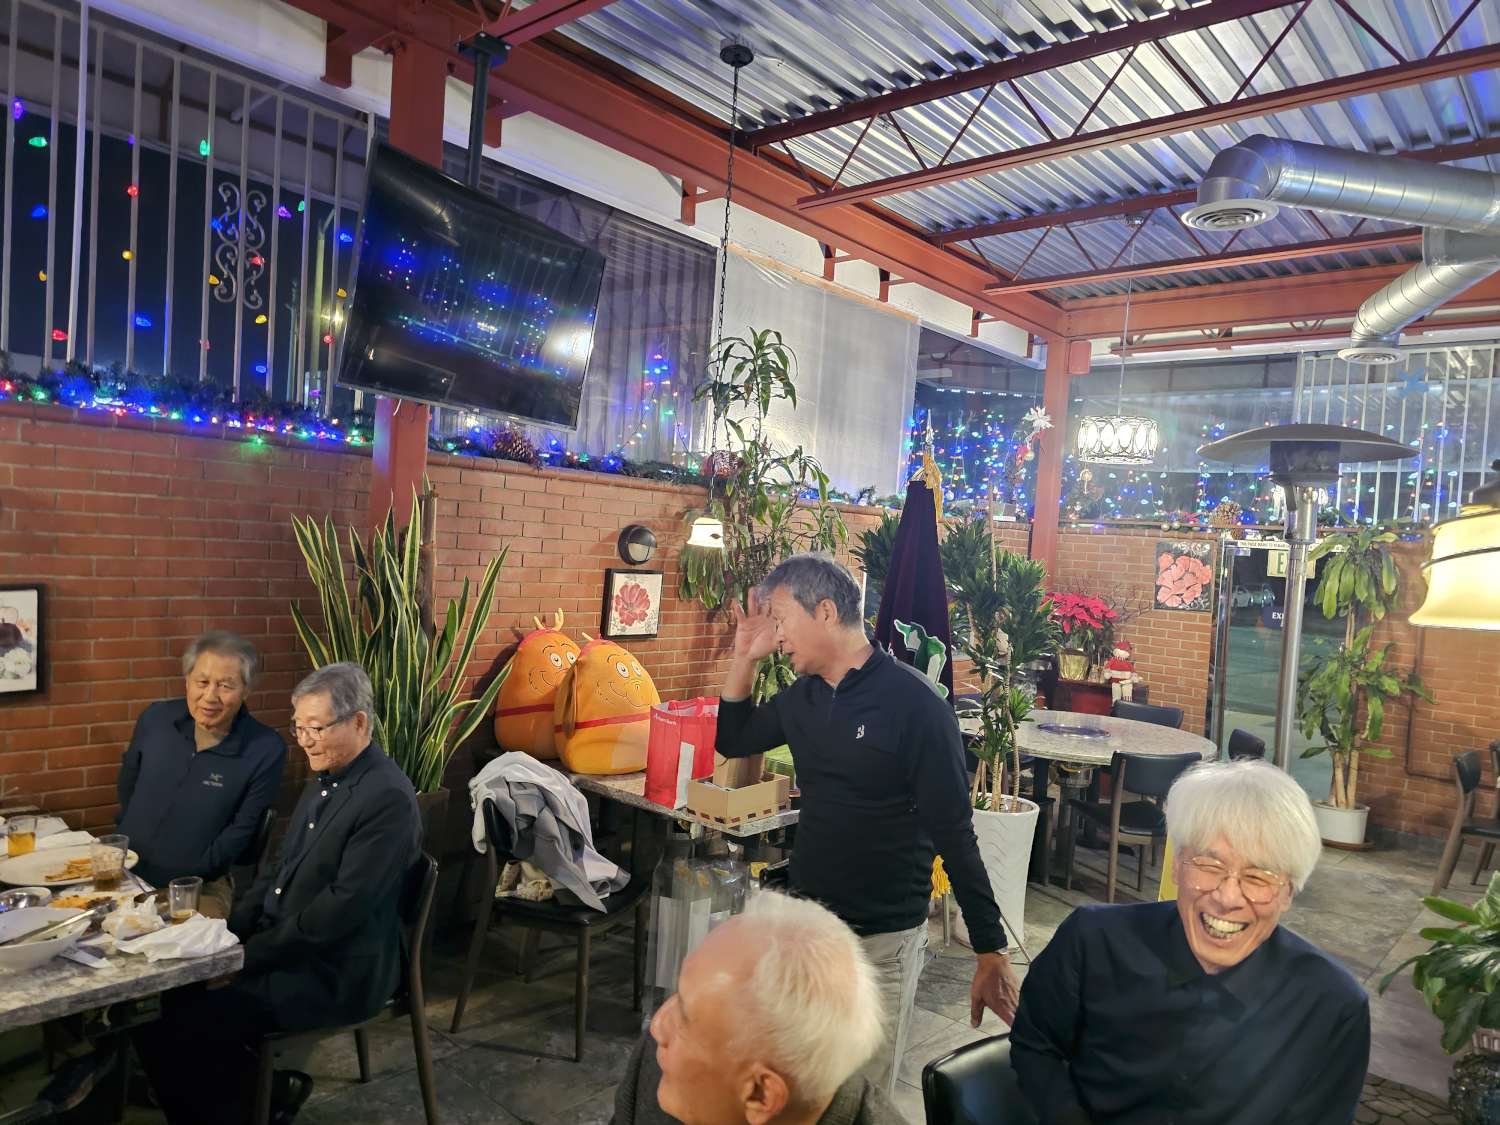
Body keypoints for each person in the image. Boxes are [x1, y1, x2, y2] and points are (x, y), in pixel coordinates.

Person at [716, 553, 1016, 1098]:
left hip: (880, 940)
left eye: (781, 619)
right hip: (807, 930)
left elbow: (954, 833)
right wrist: (742, 657)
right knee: (801, 1090)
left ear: (825, 612)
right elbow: (733, 739)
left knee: (861, 1098)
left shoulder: (915, 706)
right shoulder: (804, 697)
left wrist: (989, 948)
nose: (776, 636)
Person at [133, 662, 423, 1124]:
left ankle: (244, 1103)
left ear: (359, 723)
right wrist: (228, 935)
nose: (305, 740)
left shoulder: (386, 798)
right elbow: (276, 872)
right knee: (160, 997)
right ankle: (251, 1094)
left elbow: (337, 914)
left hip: (336, 968)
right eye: (299, 727)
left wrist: (245, 958)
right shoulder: (326, 775)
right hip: (290, 944)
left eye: (316, 728)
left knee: (183, 1018)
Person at [1010, 758, 1370, 1125]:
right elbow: (1036, 1046)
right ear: (1176, 865)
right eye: (1210, 866)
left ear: (1288, 893)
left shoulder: (1332, 1006)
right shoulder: (1092, 941)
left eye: (1258, 877)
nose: (1228, 897)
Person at [612, 891, 903, 1125]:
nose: (657, 1025)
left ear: (761, 1094)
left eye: (685, 1018)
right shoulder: (655, 1068)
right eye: (679, 994)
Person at [117, 631, 286, 918]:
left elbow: (243, 830)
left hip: (200, 887)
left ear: (246, 690)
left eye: (225, 686)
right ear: (187, 681)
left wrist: (195, 871)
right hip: (128, 873)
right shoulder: (156, 718)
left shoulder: (264, 748)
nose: (210, 696)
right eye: (202, 682)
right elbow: (127, 784)